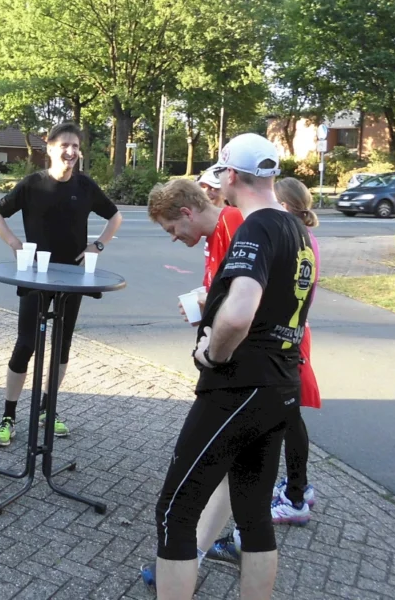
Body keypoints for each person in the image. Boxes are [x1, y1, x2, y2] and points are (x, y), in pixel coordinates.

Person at [151, 133, 316, 600]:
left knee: (175, 511)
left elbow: (241, 312)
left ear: (230, 176)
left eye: (219, 175)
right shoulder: (295, 229)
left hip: (239, 386)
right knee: (253, 513)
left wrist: (213, 354)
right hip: (281, 385)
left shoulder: (256, 228)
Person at [0, 122, 122, 446]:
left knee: (61, 348)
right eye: (65, 145)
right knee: (26, 345)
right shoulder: (33, 184)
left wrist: (98, 245)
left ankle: (49, 410)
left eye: (76, 146)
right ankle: (8, 416)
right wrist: (16, 245)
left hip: (73, 281)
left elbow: (115, 216)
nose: (71, 151)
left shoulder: (85, 186)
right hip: (35, 277)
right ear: (49, 148)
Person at [140, 178, 244, 587]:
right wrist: (206, 301)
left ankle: (179, 568)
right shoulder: (217, 235)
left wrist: (213, 352)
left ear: (186, 212)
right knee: (236, 473)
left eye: (171, 229)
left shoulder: (236, 226)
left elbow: (246, 305)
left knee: (189, 477)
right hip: (241, 373)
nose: (173, 238)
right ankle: (203, 552)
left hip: (237, 374)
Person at [268, 177, 321, 525]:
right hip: (296, 331)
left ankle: (296, 496)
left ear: (284, 207)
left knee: (287, 416)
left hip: (288, 334)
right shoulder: (305, 236)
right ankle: (297, 486)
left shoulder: (294, 240)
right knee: (288, 417)